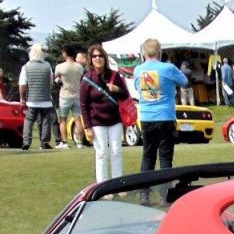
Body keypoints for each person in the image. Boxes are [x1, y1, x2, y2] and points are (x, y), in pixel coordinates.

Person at [134, 38, 187, 171]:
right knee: (165, 156)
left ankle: (144, 190)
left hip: (147, 117)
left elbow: (137, 87)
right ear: (160, 52)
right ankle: (166, 189)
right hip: (165, 116)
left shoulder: (138, 70)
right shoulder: (168, 68)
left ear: (143, 52)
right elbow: (184, 81)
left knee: (148, 155)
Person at [79, 44, 129, 183]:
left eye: (100, 56)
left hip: (115, 120)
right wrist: (87, 127)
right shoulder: (87, 79)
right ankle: (102, 186)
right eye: (94, 56)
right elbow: (83, 104)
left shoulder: (114, 75)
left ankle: (118, 184)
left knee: (116, 151)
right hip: (96, 122)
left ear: (105, 58)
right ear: (90, 59)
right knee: (101, 153)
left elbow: (125, 95)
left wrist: (116, 89)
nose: (97, 58)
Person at [18, 44, 56, 150]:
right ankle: (44, 142)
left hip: (32, 100)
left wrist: (22, 97)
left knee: (29, 120)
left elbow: (22, 84)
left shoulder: (26, 66)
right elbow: (51, 83)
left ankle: (26, 141)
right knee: (45, 121)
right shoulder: (47, 66)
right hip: (46, 99)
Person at [54, 45, 84, 149]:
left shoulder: (60, 67)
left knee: (62, 119)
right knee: (78, 119)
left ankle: (65, 142)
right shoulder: (79, 67)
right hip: (77, 94)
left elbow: (56, 78)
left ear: (65, 54)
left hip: (64, 95)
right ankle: (79, 142)